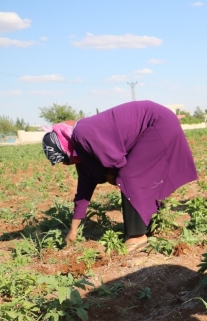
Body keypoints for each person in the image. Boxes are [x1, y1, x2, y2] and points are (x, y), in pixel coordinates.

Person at [42, 100, 198, 251]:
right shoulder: (82, 154)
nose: (66, 164)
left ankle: (138, 236)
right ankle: (150, 225)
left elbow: (116, 162)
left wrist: (111, 177)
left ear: (64, 147)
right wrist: (73, 231)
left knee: (129, 176)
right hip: (155, 124)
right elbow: (83, 192)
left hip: (158, 122)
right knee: (131, 176)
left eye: (63, 159)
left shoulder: (83, 134)